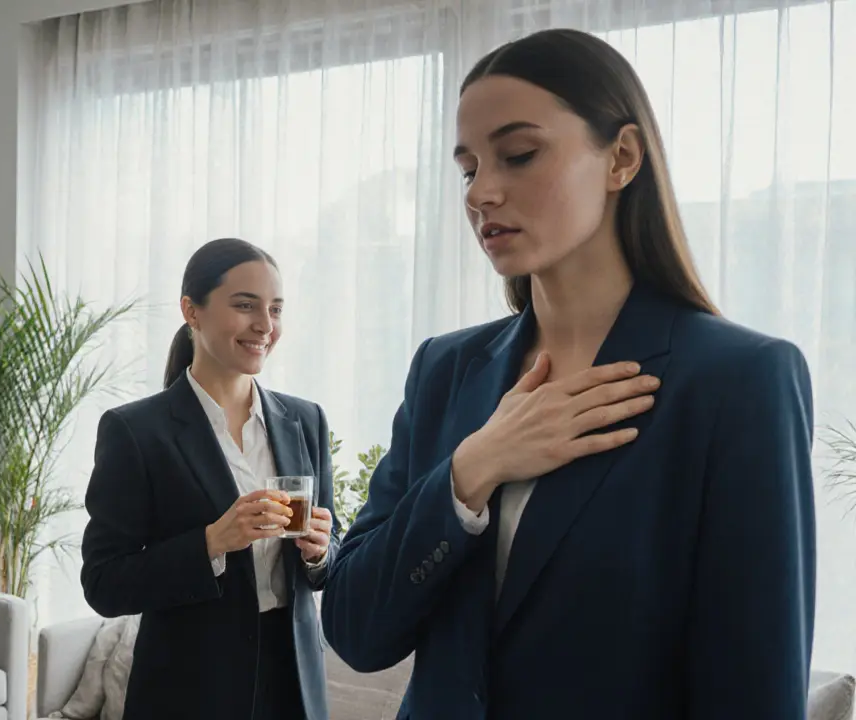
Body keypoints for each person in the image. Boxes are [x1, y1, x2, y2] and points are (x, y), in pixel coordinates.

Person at [321, 28, 815, 720]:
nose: (482, 193)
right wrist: (471, 469)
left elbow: (755, 690)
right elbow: (354, 629)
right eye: (468, 168)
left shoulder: (739, 382)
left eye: (519, 155)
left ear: (622, 158)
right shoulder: (443, 371)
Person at [80, 238, 340, 720]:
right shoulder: (135, 431)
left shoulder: (306, 420)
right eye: (245, 306)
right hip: (187, 691)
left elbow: (331, 559)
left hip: (294, 687)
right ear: (191, 311)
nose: (265, 325)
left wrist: (322, 550)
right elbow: (103, 583)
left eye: (275, 309)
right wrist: (212, 542)